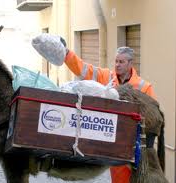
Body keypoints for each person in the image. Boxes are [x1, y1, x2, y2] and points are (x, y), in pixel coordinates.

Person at [60, 41, 156, 183]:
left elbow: (152, 117)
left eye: (121, 62)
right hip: (113, 143)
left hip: (134, 145)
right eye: (116, 61)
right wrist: (66, 53)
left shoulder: (144, 87)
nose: (117, 64)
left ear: (130, 64)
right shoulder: (106, 77)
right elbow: (83, 69)